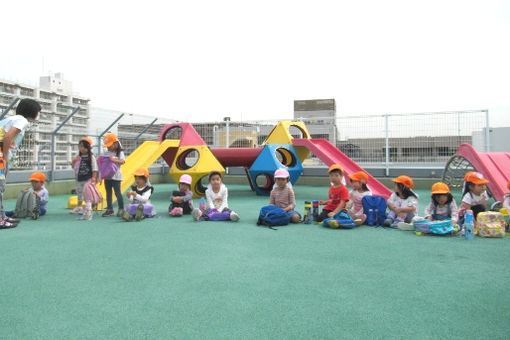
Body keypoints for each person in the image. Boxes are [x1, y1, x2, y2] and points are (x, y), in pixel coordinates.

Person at [0, 98, 41, 228]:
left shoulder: (11, 119)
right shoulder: (22, 120)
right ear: (32, 111)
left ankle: (2, 216)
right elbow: (7, 137)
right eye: (38, 111)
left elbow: (6, 136)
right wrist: (5, 158)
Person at [70, 136, 98, 219]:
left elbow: (94, 168)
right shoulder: (78, 156)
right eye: (80, 146)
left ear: (88, 147)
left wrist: (93, 178)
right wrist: (74, 161)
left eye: (83, 146)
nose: (81, 148)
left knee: (87, 194)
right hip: (79, 177)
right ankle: (79, 207)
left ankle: (88, 208)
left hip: (88, 179)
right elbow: (73, 166)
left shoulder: (91, 157)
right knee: (79, 192)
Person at [101, 132, 125, 217]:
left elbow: (123, 161)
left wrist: (114, 160)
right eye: (107, 145)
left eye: (110, 145)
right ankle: (110, 209)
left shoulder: (119, 152)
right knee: (108, 192)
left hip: (116, 176)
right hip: (107, 176)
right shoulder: (107, 152)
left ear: (115, 143)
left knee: (117, 192)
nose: (108, 146)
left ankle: (121, 209)